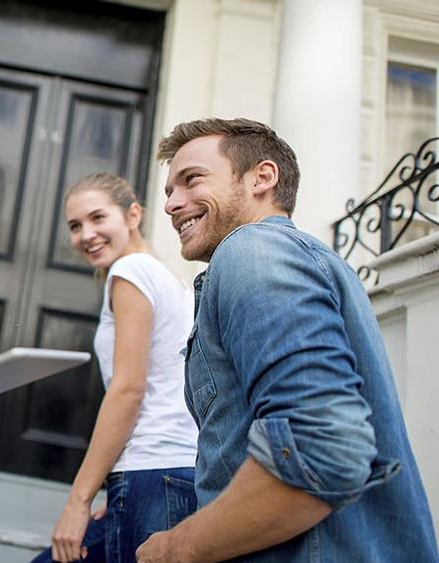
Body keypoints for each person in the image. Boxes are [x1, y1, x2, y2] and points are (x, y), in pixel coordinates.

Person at [136, 117, 439, 562]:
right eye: (168, 192)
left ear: (263, 176)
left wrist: (173, 548)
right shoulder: (296, 259)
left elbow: (321, 450)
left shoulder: (254, 252)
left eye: (191, 180)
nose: (171, 204)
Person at [33, 172, 199, 563]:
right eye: (75, 226)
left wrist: (79, 500)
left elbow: (128, 390)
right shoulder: (170, 280)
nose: (86, 234)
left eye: (97, 218)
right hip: (173, 472)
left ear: (133, 215)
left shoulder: (130, 273)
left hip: (150, 470)